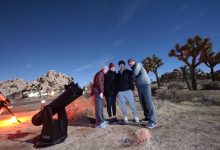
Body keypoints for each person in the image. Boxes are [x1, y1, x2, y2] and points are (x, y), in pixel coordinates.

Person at [128, 59, 157, 129]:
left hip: (145, 85)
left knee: (148, 102)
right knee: (142, 102)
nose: (129, 64)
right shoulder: (132, 69)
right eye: (128, 63)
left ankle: (153, 121)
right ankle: (147, 117)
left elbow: (135, 73)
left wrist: (128, 79)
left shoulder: (138, 65)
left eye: (130, 62)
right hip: (139, 87)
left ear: (134, 61)